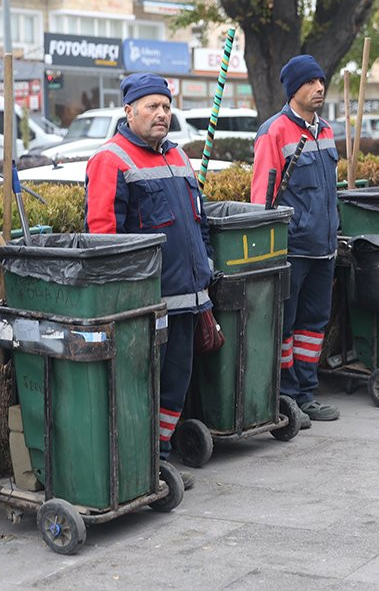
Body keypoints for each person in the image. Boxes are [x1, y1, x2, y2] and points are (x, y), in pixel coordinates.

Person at [85, 73, 212, 483]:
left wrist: (205, 267)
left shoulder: (177, 156)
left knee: (176, 380)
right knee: (143, 384)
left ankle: (159, 454)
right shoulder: (111, 159)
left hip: (189, 297)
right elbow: (103, 238)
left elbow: (199, 221)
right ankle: (143, 462)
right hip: (147, 304)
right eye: (152, 106)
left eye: (166, 106)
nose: (162, 114)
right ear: (128, 111)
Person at [251, 55, 339, 426]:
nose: (319, 88)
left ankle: (306, 392)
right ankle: (286, 397)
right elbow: (261, 197)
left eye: (321, 81)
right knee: (285, 326)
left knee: (313, 324)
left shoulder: (326, 130)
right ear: (294, 90)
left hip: (325, 246)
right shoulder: (274, 132)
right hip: (293, 248)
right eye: (310, 83)